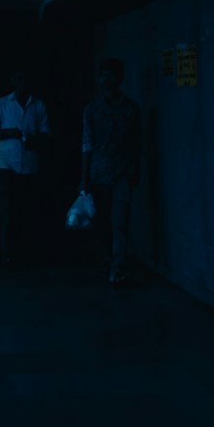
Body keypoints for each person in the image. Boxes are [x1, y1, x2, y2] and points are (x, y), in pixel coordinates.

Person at [81, 58, 141, 285]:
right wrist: (84, 178)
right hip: (98, 175)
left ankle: (118, 267)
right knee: (103, 223)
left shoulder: (131, 108)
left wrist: (136, 170)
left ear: (120, 78)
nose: (107, 80)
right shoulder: (92, 110)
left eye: (111, 75)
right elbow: (86, 143)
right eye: (103, 75)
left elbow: (137, 142)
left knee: (120, 222)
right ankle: (108, 259)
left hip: (123, 173)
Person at [0, 69, 51, 265]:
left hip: (30, 165)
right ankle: (6, 252)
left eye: (26, 78)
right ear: (13, 81)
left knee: (28, 209)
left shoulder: (38, 104)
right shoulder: (1, 103)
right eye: (19, 78)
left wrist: (35, 140)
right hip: (5, 166)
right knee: (7, 210)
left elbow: (47, 134)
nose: (23, 82)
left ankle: (26, 252)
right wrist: (11, 132)